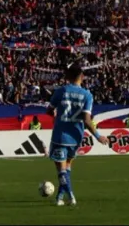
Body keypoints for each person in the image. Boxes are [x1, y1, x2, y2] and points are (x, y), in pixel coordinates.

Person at [46, 63, 108, 207]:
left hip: (60, 135)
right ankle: (60, 198)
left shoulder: (60, 91)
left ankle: (71, 195)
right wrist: (98, 136)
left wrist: (55, 114)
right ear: (82, 77)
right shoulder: (87, 95)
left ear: (68, 76)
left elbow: (49, 110)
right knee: (67, 169)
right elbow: (87, 119)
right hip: (76, 137)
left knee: (61, 171)